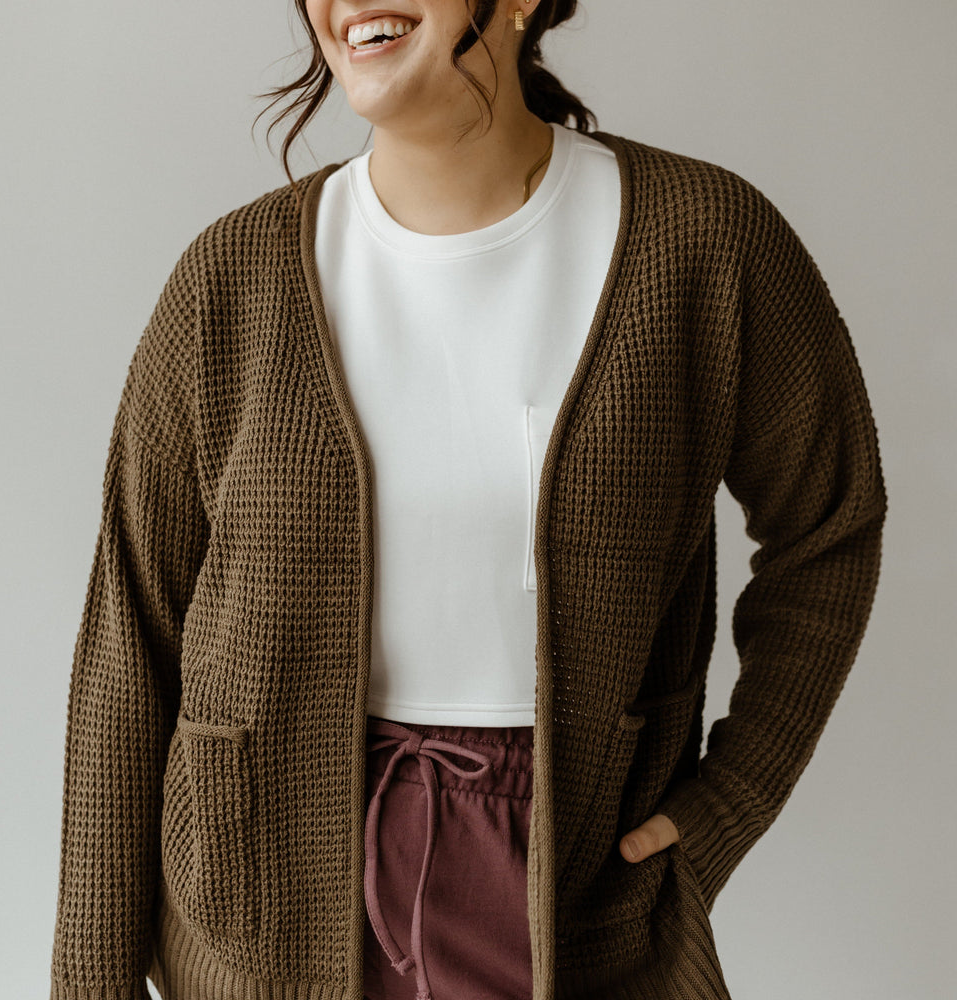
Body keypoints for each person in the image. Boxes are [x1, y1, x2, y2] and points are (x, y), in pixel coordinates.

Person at [48, 2, 886, 999]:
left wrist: (730, 801)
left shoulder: (702, 243)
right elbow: (127, 640)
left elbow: (829, 525)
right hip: (260, 892)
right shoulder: (229, 280)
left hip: (573, 889)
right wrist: (87, 981)